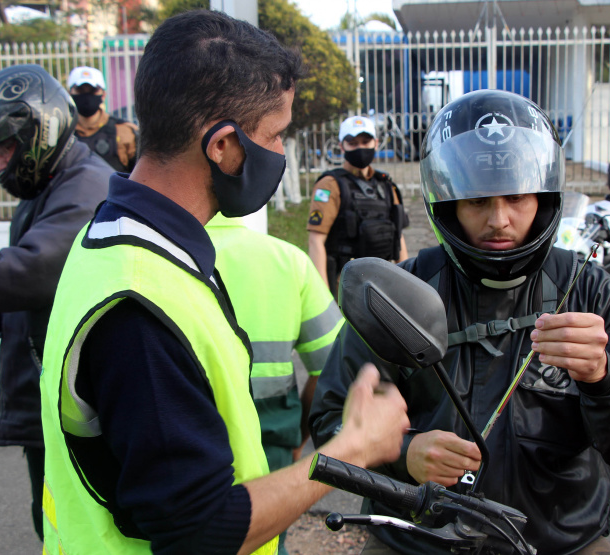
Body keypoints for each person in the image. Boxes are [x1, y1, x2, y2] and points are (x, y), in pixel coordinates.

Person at [39, 11, 409, 555]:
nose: (280, 154)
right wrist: (350, 451)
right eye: (275, 136)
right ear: (223, 146)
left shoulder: (113, 238)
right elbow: (199, 531)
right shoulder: (138, 306)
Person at [309, 90, 610, 555]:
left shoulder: (590, 291)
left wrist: (605, 377)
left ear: (544, 198)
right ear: (448, 204)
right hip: (417, 543)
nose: (499, 220)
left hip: (561, 542)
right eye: (477, 202)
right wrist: (404, 453)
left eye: (517, 198)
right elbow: (330, 419)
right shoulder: (400, 293)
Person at [0, 63, 114, 540]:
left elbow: (33, 270)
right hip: (47, 401)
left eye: (5, 147)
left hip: (74, 409)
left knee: (79, 534)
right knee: (54, 528)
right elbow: (49, 282)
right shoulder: (46, 186)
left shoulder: (85, 186)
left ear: (42, 131)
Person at [206, 213, 343, 555]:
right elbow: (332, 367)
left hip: (180, 442)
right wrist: (299, 437)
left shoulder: (155, 257)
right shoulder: (288, 261)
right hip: (271, 448)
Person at [307, 115, 409, 298]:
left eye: (365, 141)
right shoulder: (330, 184)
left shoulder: (386, 184)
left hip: (384, 282)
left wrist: (408, 282)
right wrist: (324, 297)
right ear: (341, 147)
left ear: (376, 143)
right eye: (352, 143)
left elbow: (398, 236)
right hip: (346, 284)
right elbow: (316, 241)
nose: (360, 148)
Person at [67, 65, 139, 172]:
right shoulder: (63, 133)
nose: (87, 96)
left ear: (103, 95)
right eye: (80, 90)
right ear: (70, 94)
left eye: (93, 90)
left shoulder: (124, 131)